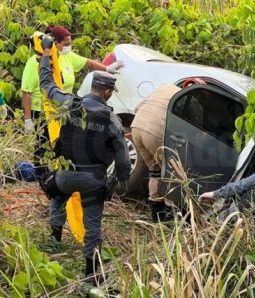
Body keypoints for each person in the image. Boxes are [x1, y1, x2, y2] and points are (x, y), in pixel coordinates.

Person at [38, 37, 130, 281]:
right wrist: (122, 184)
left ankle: (54, 241)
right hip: (93, 180)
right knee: (93, 228)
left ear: (92, 88)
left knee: (57, 198)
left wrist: (47, 53)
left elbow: (47, 85)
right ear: (108, 92)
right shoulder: (112, 120)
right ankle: (91, 274)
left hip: (65, 175)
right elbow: (123, 159)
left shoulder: (70, 103)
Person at [22, 25, 124, 131]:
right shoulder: (35, 62)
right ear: (55, 43)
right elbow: (26, 92)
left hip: (63, 110)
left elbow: (87, 62)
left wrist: (107, 68)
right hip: (42, 113)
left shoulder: (67, 56)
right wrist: (28, 119)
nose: (69, 46)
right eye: (66, 44)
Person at [130, 84, 181, 212]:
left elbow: (137, 108)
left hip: (136, 128)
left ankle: (155, 209)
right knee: (170, 172)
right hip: (153, 133)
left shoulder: (163, 87)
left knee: (155, 170)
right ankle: (169, 211)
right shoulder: (184, 97)